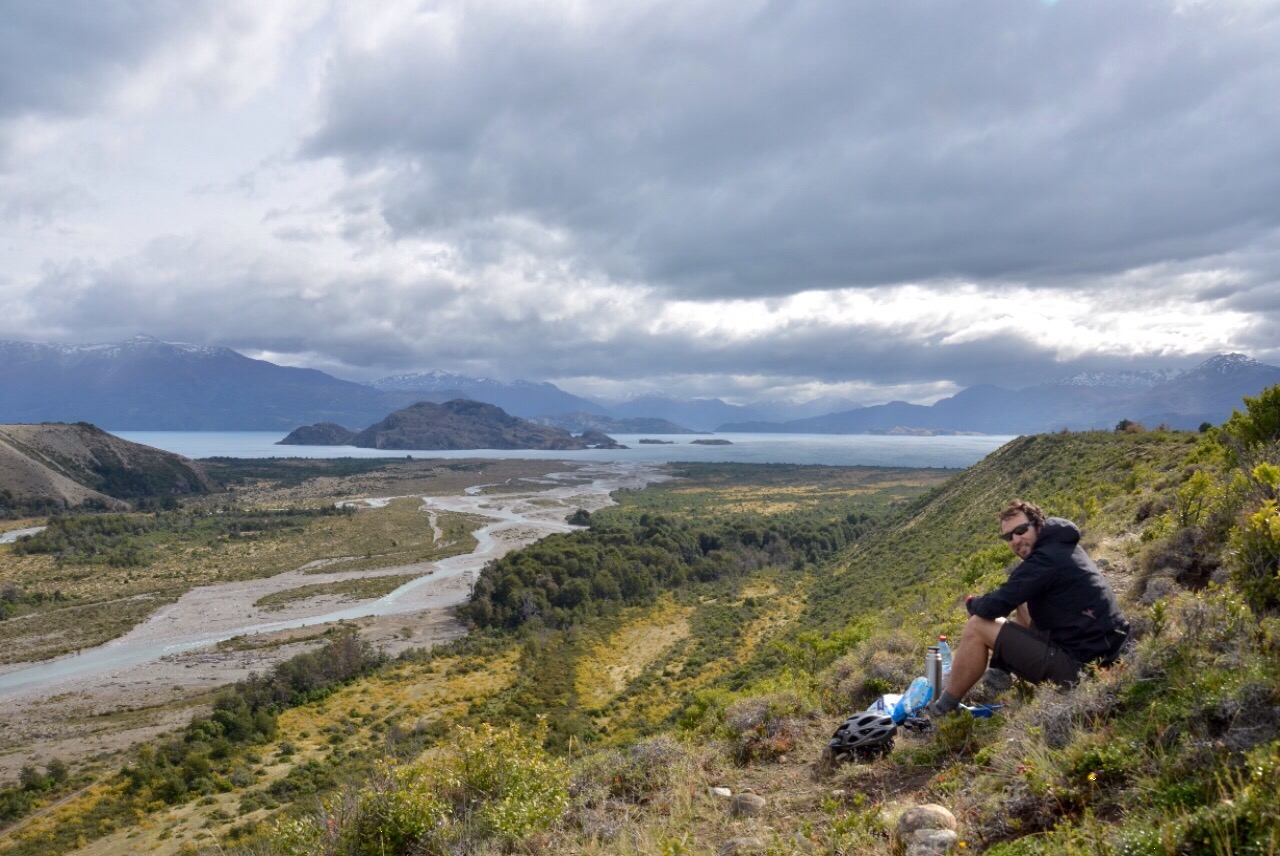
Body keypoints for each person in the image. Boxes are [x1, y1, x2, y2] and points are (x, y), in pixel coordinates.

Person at [927, 499, 1130, 716]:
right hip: (1098, 653)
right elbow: (1014, 593)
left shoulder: (1046, 560)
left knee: (977, 625)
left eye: (1021, 530)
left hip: (1082, 671)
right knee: (1022, 600)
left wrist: (971, 603)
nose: (1016, 539)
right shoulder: (1060, 546)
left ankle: (943, 709)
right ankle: (1000, 672)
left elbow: (994, 606)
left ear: (1038, 524)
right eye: (1008, 536)